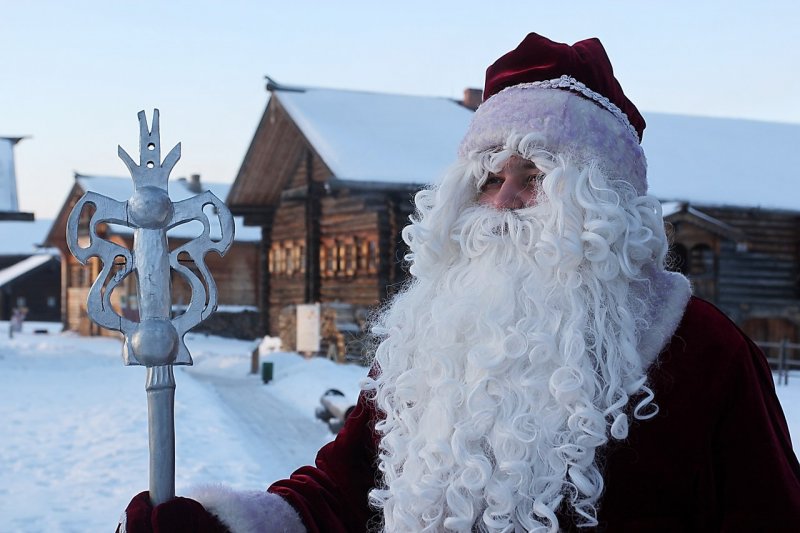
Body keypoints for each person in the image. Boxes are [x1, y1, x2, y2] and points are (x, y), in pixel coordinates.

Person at [118, 33, 800, 533]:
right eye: (487, 178)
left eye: (535, 177)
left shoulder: (706, 354)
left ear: (599, 205)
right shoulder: (431, 337)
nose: (502, 202)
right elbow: (343, 492)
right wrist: (228, 525)